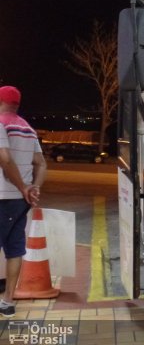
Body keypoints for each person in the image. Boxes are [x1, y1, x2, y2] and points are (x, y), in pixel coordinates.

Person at [0, 86, 46, 317]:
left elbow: (5, 160)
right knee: (14, 249)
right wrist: (33, 189)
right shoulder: (28, 128)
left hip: (3, 197)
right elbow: (42, 163)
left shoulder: (1, 124)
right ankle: (7, 302)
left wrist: (24, 187)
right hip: (20, 201)